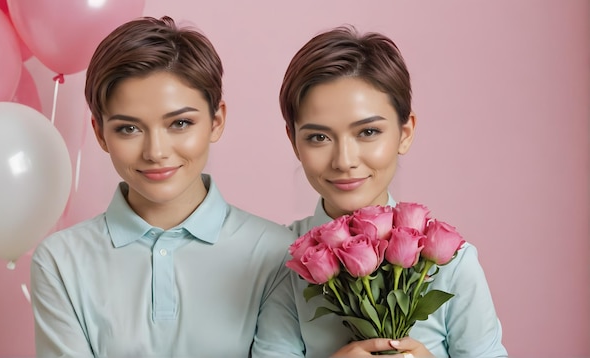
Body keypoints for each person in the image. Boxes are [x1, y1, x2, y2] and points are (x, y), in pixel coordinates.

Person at [29, 16, 301, 357]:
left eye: (180, 123)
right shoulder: (60, 262)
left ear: (216, 122)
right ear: (100, 133)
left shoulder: (278, 253)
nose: (156, 152)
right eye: (129, 129)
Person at [277, 25, 508, 357]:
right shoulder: (278, 263)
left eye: (368, 131)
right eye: (318, 137)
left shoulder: (453, 265)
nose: (344, 161)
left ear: (405, 132)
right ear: (293, 141)